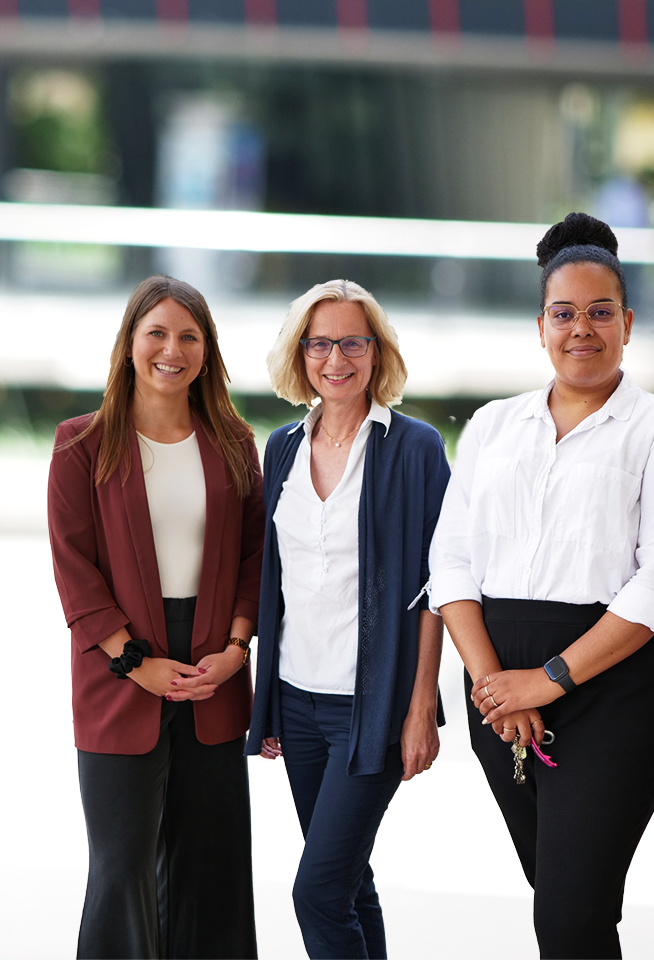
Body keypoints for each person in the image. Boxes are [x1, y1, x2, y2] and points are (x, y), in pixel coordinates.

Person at [427, 212, 654, 959]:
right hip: (497, 688)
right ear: (540, 325)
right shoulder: (492, 425)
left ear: (627, 323)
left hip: (612, 687)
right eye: (564, 313)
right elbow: (450, 562)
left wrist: (546, 682)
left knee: (568, 913)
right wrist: (495, 685)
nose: (580, 329)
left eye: (599, 312)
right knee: (567, 903)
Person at [48, 275, 264, 959]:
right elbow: (73, 569)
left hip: (213, 673)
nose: (172, 350)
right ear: (130, 344)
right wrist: (133, 661)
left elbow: (256, 556)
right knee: (121, 869)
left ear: (207, 351)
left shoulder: (232, 441)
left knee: (213, 870)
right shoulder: (81, 445)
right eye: (158, 334)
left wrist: (235, 649)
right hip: (118, 674)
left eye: (189, 336)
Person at [245, 280, 450, 960]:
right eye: (321, 343)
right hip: (298, 703)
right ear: (300, 354)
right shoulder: (279, 449)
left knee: (317, 893)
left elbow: (439, 586)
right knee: (349, 882)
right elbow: (275, 582)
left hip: (375, 707)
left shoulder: (414, 448)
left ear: (376, 351)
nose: (337, 358)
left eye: (353, 342)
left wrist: (422, 706)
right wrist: (267, 703)